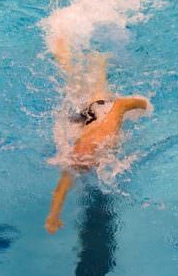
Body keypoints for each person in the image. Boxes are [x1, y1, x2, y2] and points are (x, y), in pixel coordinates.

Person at [45, 37, 150, 234]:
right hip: (89, 117)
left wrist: (145, 105)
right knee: (74, 83)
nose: (79, 162)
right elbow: (61, 189)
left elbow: (121, 104)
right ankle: (64, 46)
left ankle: (95, 56)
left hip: (101, 108)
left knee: (91, 85)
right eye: (79, 159)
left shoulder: (106, 134)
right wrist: (53, 216)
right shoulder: (77, 157)